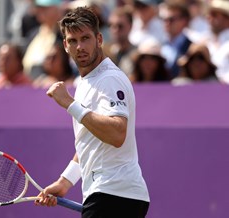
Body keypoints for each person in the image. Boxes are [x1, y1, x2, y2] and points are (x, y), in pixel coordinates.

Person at [35, 7, 150, 218]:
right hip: (111, 195)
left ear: (99, 39)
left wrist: (70, 104)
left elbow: (117, 134)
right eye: (73, 41)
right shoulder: (86, 82)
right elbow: (90, 140)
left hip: (114, 194)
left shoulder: (109, 79)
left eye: (86, 38)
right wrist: (65, 182)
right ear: (65, 46)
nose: (80, 47)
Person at [160, 1, 192, 78]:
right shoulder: (161, 46)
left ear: (184, 21)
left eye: (171, 19)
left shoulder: (191, 48)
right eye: (164, 19)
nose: (167, 23)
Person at [102, 5, 137, 77]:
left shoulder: (138, 55)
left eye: (120, 26)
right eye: (111, 25)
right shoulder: (103, 53)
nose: (115, 30)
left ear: (130, 26)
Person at [204, 0, 229, 84]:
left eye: (214, 14)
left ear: (227, 18)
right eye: (209, 14)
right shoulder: (205, 41)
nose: (209, 17)